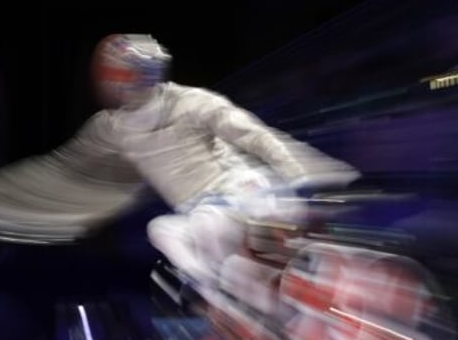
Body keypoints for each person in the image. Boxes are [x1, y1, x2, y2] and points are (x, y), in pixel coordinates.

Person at [90, 33, 357, 293]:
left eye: (127, 74)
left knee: (215, 225)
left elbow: (255, 135)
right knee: (161, 230)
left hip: (242, 190)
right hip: (203, 213)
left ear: (147, 73)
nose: (121, 84)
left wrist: (303, 174)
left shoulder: (192, 102)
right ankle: (220, 295)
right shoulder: (121, 130)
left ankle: (315, 267)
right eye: (117, 75)